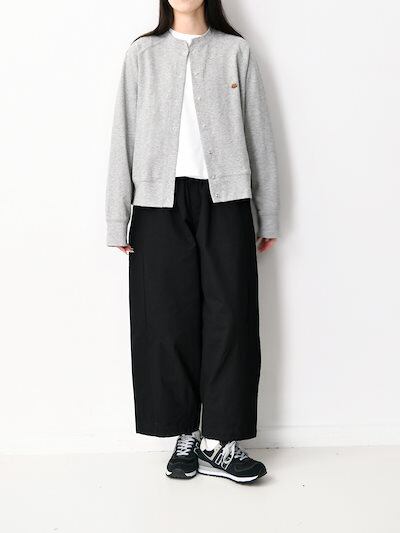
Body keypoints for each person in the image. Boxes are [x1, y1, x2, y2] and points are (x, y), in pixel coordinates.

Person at [106, 0, 279, 483]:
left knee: (232, 317)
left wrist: (267, 213)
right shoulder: (142, 54)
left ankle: (220, 441)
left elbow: (259, 134)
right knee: (165, 320)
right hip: (157, 203)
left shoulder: (236, 52)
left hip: (227, 200)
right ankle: (184, 432)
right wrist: (117, 216)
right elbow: (123, 133)